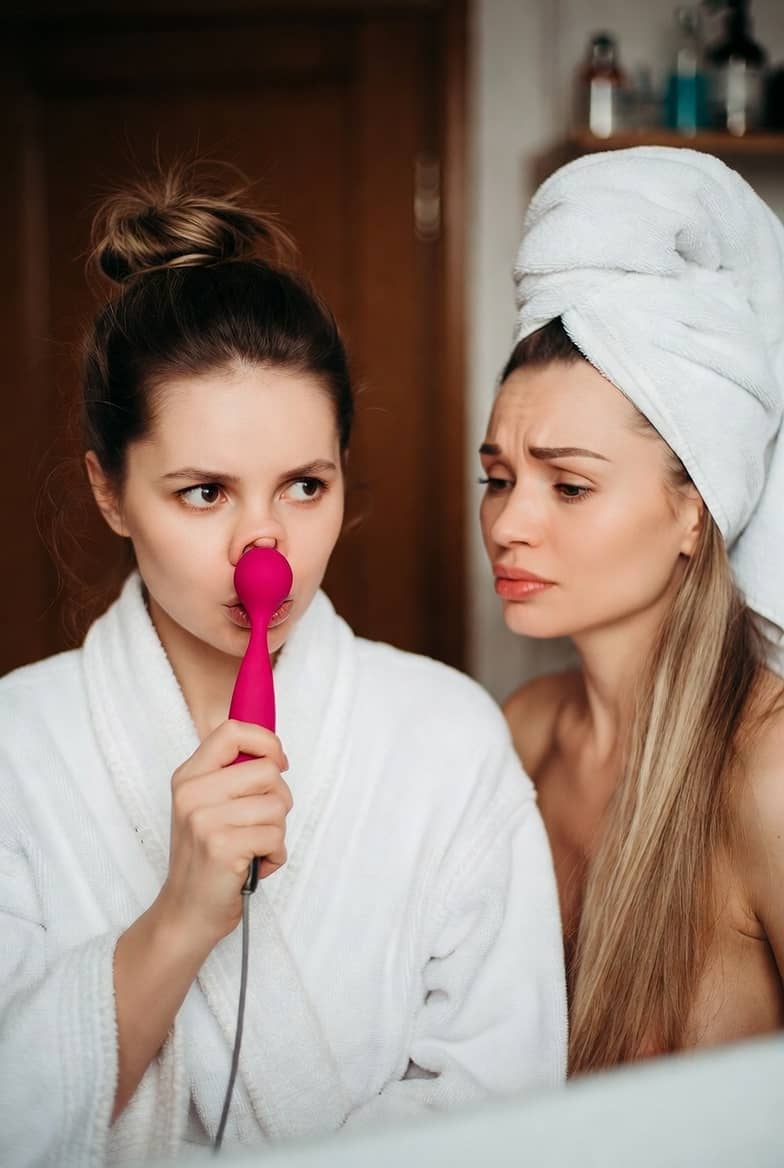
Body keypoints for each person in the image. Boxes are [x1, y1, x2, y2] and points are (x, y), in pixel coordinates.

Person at [0, 163, 566, 1166]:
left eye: (305, 485)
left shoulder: (450, 736)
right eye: (204, 492)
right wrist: (179, 919)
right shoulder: (15, 748)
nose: (263, 549)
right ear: (109, 492)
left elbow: (502, 1099)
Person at [479, 146, 784, 1076]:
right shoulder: (520, 734)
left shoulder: (769, 777)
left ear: (695, 508)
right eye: (497, 478)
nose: (508, 524)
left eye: (569, 485)